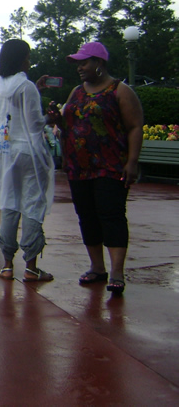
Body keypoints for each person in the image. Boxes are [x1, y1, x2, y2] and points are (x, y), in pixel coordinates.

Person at [49, 42, 143, 295]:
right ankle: (97, 267)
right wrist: (58, 120)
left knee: (111, 215)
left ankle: (117, 272)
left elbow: (135, 126)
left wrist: (132, 161)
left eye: (84, 62)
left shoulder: (120, 91)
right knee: (87, 216)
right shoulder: (77, 92)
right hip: (78, 167)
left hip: (110, 166)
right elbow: (69, 126)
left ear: (99, 63)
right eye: (78, 63)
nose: (79, 68)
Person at [0, 39, 55, 282]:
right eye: (27, 57)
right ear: (21, 60)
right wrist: (50, 118)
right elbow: (34, 124)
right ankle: (31, 267)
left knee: (9, 204)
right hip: (27, 151)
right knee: (32, 203)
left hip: (3, 151)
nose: (29, 62)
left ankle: (7, 265)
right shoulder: (26, 87)